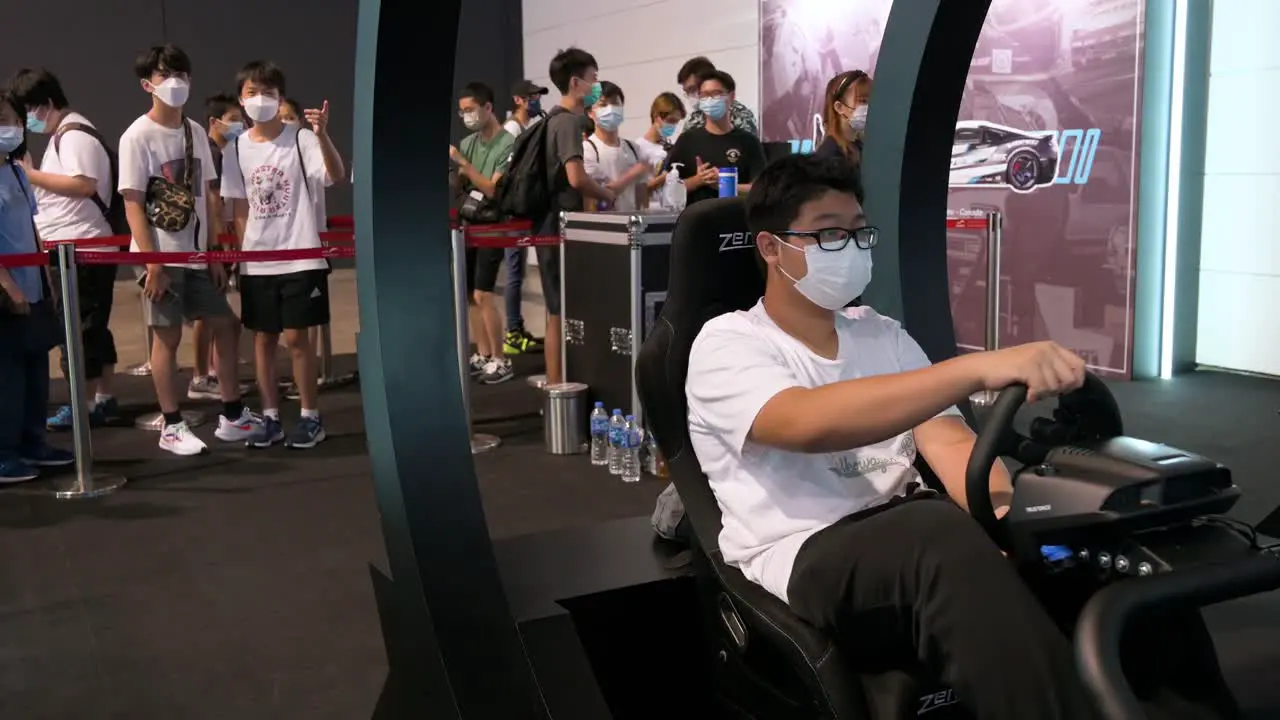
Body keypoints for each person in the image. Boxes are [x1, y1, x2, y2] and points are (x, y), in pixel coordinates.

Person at [685, 154, 1242, 719]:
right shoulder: (728, 343)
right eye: (830, 234)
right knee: (934, 533)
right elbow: (803, 422)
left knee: (1083, 540)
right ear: (772, 248)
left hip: (913, 531)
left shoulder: (880, 334)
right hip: (805, 549)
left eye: (859, 233)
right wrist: (976, 369)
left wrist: (1010, 520)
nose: (852, 248)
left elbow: (949, 441)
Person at [119, 44, 257, 456]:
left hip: (195, 254)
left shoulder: (195, 130)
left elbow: (209, 197)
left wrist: (214, 252)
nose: (175, 83)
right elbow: (132, 203)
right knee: (167, 337)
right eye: (165, 75)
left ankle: (232, 414)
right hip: (159, 254)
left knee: (226, 325)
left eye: (181, 74)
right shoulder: (136, 136)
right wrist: (152, 263)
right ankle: (172, 424)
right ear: (148, 84)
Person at [220, 60, 345, 449]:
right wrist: (245, 255)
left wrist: (322, 134)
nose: (261, 99)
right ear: (241, 100)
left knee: (297, 339)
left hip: (302, 256)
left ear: (281, 97)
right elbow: (239, 208)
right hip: (258, 261)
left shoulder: (300, 138)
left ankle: (310, 416)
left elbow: (334, 174)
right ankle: (270, 416)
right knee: (263, 339)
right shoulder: (236, 148)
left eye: (269, 92)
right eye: (253, 92)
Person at [6, 68, 121, 430]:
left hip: (81, 250)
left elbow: (83, 185)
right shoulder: (65, 135)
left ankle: (83, 403)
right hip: (78, 247)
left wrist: (29, 175)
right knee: (90, 326)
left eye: (25, 113)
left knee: (78, 329)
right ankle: (100, 398)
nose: (25, 123)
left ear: (46, 104)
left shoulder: (74, 136)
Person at [0, 90, 75, 482]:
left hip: (33, 286)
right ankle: (4, 452)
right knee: (6, 377)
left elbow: (31, 227)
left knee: (34, 371)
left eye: (10, 119)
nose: (8, 127)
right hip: (6, 293)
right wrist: (9, 287)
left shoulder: (16, 171)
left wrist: (44, 275)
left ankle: (33, 442)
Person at [536, 47, 616, 386]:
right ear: (575, 83)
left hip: (549, 224)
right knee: (559, 313)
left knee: (557, 311)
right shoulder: (567, 122)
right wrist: (606, 193)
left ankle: (559, 387)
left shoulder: (553, 119)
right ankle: (558, 391)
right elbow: (575, 177)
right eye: (593, 79)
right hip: (558, 226)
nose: (597, 86)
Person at [450, 81, 515, 384]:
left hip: (493, 224)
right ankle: (483, 353)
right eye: (462, 111)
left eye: (471, 110)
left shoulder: (508, 143)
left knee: (484, 293)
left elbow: (492, 188)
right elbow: (464, 186)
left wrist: (465, 166)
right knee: (470, 297)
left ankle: (501, 358)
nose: (466, 116)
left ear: (488, 107)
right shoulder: (468, 143)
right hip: (468, 224)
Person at [189, 92, 247, 403]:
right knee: (208, 315)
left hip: (218, 243)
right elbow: (211, 198)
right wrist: (215, 244)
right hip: (211, 246)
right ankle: (201, 376)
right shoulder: (210, 153)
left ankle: (211, 372)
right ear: (214, 122)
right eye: (234, 120)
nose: (240, 125)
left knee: (215, 315)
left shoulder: (225, 152)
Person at [663, 70, 767, 207]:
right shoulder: (687, 140)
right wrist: (698, 180)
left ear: (731, 96)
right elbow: (670, 191)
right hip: (696, 222)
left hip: (736, 220)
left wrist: (724, 184)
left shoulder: (748, 141)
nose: (710, 100)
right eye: (704, 95)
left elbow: (761, 190)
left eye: (716, 94)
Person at [500, 80, 549, 356]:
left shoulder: (528, 127)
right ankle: (513, 332)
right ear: (518, 100)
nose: (536, 101)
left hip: (525, 208)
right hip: (514, 211)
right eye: (532, 97)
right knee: (515, 271)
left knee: (517, 270)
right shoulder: (511, 130)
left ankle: (517, 328)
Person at [583, 81, 649, 213]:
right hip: (605, 225)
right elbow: (595, 196)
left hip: (632, 223)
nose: (611, 109)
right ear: (590, 112)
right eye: (603, 105)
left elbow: (642, 195)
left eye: (616, 104)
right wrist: (632, 174)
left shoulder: (634, 148)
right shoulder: (587, 149)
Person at [678, 56, 758, 136]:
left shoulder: (740, 115)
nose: (691, 95)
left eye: (692, 89)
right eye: (687, 92)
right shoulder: (694, 118)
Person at [634, 92, 684, 207]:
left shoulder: (669, 147)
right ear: (657, 117)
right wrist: (665, 177)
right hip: (650, 209)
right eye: (671, 120)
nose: (673, 125)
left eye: (676, 122)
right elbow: (638, 190)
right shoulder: (639, 147)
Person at [815, 70, 871, 165]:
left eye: (872, 99)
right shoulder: (828, 155)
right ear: (839, 107)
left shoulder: (862, 148)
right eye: (863, 101)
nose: (869, 106)